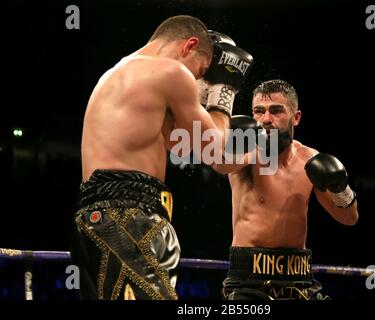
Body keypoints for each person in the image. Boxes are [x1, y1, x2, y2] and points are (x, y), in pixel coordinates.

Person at [71, 15, 254, 300]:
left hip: (97, 219)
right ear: (189, 45)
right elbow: (215, 149)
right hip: (128, 219)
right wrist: (223, 90)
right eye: (201, 71)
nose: (198, 81)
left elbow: (189, 148)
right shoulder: (172, 72)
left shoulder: (116, 74)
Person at [214, 79, 359, 300]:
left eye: (276, 111)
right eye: (259, 111)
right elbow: (221, 164)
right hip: (249, 278)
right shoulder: (247, 152)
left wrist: (341, 189)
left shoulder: (310, 160)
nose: (266, 120)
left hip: (298, 274)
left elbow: (349, 217)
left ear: (296, 117)